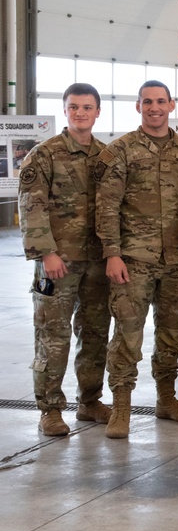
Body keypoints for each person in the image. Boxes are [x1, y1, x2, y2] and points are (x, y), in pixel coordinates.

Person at [96, 80, 178, 439]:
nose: (154, 107)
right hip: (133, 260)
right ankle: (122, 406)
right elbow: (107, 205)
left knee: (172, 333)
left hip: (176, 260)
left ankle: (166, 398)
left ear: (172, 105)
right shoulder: (121, 150)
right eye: (147, 102)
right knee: (128, 335)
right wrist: (112, 253)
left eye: (161, 101)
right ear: (138, 106)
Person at [18, 83, 111, 436]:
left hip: (97, 263)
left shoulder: (106, 155)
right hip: (58, 262)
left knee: (95, 334)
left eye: (87, 107)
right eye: (74, 107)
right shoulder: (44, 155)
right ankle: (50, 409)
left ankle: (89, 401)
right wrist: (47, 253)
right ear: (65, 110)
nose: (81, 113)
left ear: (97, 112)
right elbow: (31, 208)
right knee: (52, 337)